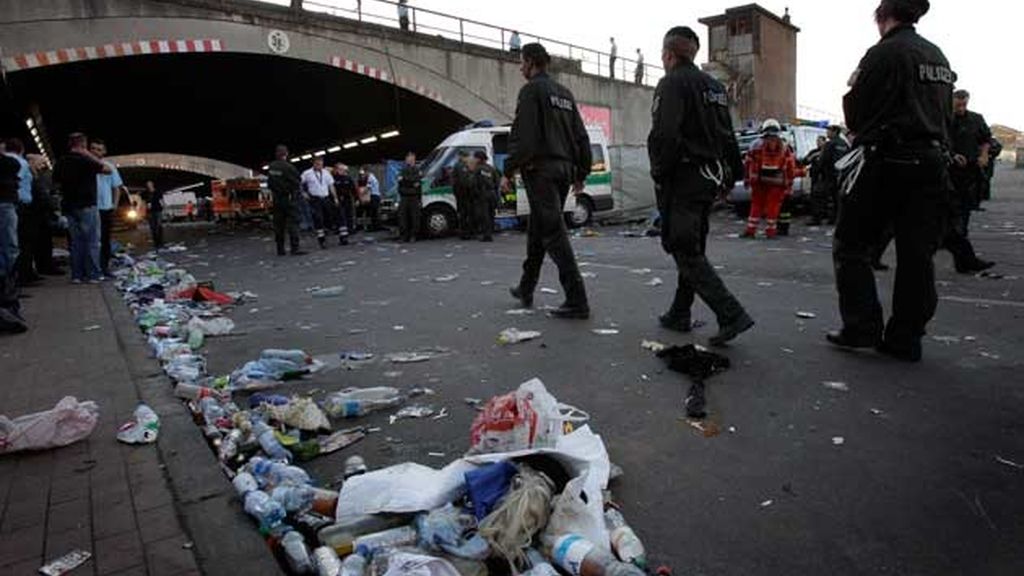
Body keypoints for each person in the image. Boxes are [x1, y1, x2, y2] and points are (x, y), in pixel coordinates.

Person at [828, 0, 953, 363]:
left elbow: (857, 110)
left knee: (851, 245)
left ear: (882, 18)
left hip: (888, 160)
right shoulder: (938, 56)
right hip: (931, 163)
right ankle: (907, 337)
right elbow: (943, 115)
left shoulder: (884, 53)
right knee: (917, 255)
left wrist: (855, 89)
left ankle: (862, 326)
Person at [648, 26, 754, 345]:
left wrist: (659, 173)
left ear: (668, 54)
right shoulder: (714, 87)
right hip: (710, 179)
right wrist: (732, 175)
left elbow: (664, 135)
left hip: (683, 178)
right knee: (693, 245)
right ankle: (680, 312)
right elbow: (727, 135)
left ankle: (730, 313)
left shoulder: (671, 83)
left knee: (683, 247)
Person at [504, 43, 592, 319]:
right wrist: (581, 172)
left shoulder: (531, 91)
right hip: (563, 170)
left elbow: (523, 134)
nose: (520, 68)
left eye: (522, 62)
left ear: (531, 62)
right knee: (539, 227)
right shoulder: (564, 93)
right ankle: (526, 286)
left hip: (540, 170)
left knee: (553, 232)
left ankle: (577, 298)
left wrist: (508, 168)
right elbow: (581, 136)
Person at [942, 89, 995, 274]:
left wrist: (984, 155)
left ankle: (963, 257)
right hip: (947, 172)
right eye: (958, 105)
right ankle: (963, 257)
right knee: (950, 216)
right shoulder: (943, 118)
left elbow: (986, 139)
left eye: (964, 104)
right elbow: (937, 141)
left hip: (969, 173)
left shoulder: (975, 119)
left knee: (962, 212)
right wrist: (951, 155)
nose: (961, 108)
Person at [53, 133, 111, 284]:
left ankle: (77, 275)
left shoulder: (61, 161)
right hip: (87, 205)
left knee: (75, 242)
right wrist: (88, 155)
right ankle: (94, 275)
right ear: (84, 145)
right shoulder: (86, 160)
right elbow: (107, 169)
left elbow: (56, 183)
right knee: (92, 241)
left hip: (69, 206)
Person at [743, 119, 797, 239]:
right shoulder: (784, 146)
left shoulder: (755, 144)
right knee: (773, 206)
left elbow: (747, 163)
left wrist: (746, 178)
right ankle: (770, 231)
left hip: (758, 180)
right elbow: (790, 166)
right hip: (777, 182)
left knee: (756, 205)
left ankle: (751, 230)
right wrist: (789, 182)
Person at [4, 139, 39, 286]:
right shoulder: (20, 162)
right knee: (23, 242)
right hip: (20, 206)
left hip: (13, 204)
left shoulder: (6, 160)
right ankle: (23, 277)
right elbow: (16, 181)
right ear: (21, 149)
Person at [90, 140, 127, 276]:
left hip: (105, 208)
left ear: (104, 152)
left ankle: (104, 268)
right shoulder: (85, 165)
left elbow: (116, 187)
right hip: (90, 208)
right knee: (92, 239)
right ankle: (92, 268)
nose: (95, 152)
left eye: (99, 149)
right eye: (93, 148)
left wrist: (114, 205)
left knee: (105, 239)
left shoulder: (110, 166)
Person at [0, 142, 26, 333]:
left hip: (6, 206)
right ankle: (8, 305)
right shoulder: (9, 163)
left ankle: (9, 305)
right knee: (9, 252)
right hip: (4, 206)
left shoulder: (9, 163)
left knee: (9, 252)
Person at [267, 145, 305, 256]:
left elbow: (270, 183)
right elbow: (297, 182)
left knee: (279, 225)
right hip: (289, 198)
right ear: (286, 154)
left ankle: (280, 249)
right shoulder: (289, 167)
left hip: (277, 199)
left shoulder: (271, 167)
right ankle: (295, 248)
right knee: (293, 223)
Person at [27, 155, 61, 276]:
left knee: (42, 242)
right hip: (37, 214)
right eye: (41, 163)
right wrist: (54, 205)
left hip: (39, 213)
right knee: (42, 242)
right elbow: (42, 195)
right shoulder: (34, 178)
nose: (43, 166)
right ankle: (44, 266)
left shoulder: (36, 176)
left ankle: (43, 266)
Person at [301, 157, 341, 249]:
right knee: (318, 218)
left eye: (321, 164)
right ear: (313, 164)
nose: (320, 166)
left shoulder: (326, 173)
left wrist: (335, 198)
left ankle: (326, 232)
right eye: (318, 164)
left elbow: (331, 186)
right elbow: (299, 183)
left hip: (325, 198)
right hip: (315, 199)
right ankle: (321, 240)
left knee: (328, 217)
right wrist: (304, 193)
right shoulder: (307, 173)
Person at [821, 125, 850, 224]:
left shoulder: (830, 144)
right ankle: (839, 217)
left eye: (828, 130)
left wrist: (821, 171)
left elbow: (824, 159)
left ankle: (832, 218)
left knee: (830, 197)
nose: (827, 133)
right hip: (842, 174)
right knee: (839, 198)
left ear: (834, 132)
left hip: (830, 175)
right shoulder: (844, 144)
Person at [472, 150, 501, 242]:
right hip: (492, 194)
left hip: (483, 194)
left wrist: (476, 194)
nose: (474, 159)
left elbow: (475, 183)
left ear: (479, 159)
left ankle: (487, 236)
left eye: (475, 157)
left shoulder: (478, 169)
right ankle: (490, 233)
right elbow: (497, 182)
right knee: (491, 214)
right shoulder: (491, 168)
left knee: (484, 215)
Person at [397, 152, 423, 243]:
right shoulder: (402, 170)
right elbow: (401, 182)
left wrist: (406, 180)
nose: (410, 160)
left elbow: (417, 182)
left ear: (414, 160)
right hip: (404, 196)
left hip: (414, 196)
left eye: (412, 159)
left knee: (414, 217)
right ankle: (404, 236)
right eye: (408, 158)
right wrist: (411, 183)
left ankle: (413, 235)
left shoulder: (417, 169)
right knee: (403, 217)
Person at [452, 150, 475, 239]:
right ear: (462, 157)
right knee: (465, 214)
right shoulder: (461, 166)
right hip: (464, 193)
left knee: (463, 213)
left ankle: (464, 232)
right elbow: (464, 181)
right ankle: (465, 233)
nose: (468, 158)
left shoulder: (458, 165)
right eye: (467, 157)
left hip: (460, 193)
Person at [333, 163, 357, 243]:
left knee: (348, 215)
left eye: (343, 170)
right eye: (340, 169)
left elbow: (353, 189)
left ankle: (349, 231)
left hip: (347, 199)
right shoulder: (334, 179)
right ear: (336, 170)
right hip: (338, 199)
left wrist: (356, 199)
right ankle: (343, 236)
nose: (342, 171)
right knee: (341, 217)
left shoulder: (348, 178)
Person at [144, 180, 165, 249]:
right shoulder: (146, 193)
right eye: (147, 184)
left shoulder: (158, 192)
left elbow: (161, 201)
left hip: (158, 210)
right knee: (153, 227)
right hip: (150, 212)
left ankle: (160, 242)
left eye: (150, 184)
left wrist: (164, 208)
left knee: (159, 226)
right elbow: (144, 202)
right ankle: (156, 243)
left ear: (152, 185)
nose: (149, 186)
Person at [361, 166, 382, 231]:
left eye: (364, 173)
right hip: (376, 196)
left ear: (367, 171)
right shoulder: (373, 177)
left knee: (373, 212)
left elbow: (368, 188)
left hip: (374, 196)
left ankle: (374, 227)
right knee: (375, 212)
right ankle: (376, 226)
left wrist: (361, 193)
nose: (363, 174)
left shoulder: (370, 178)